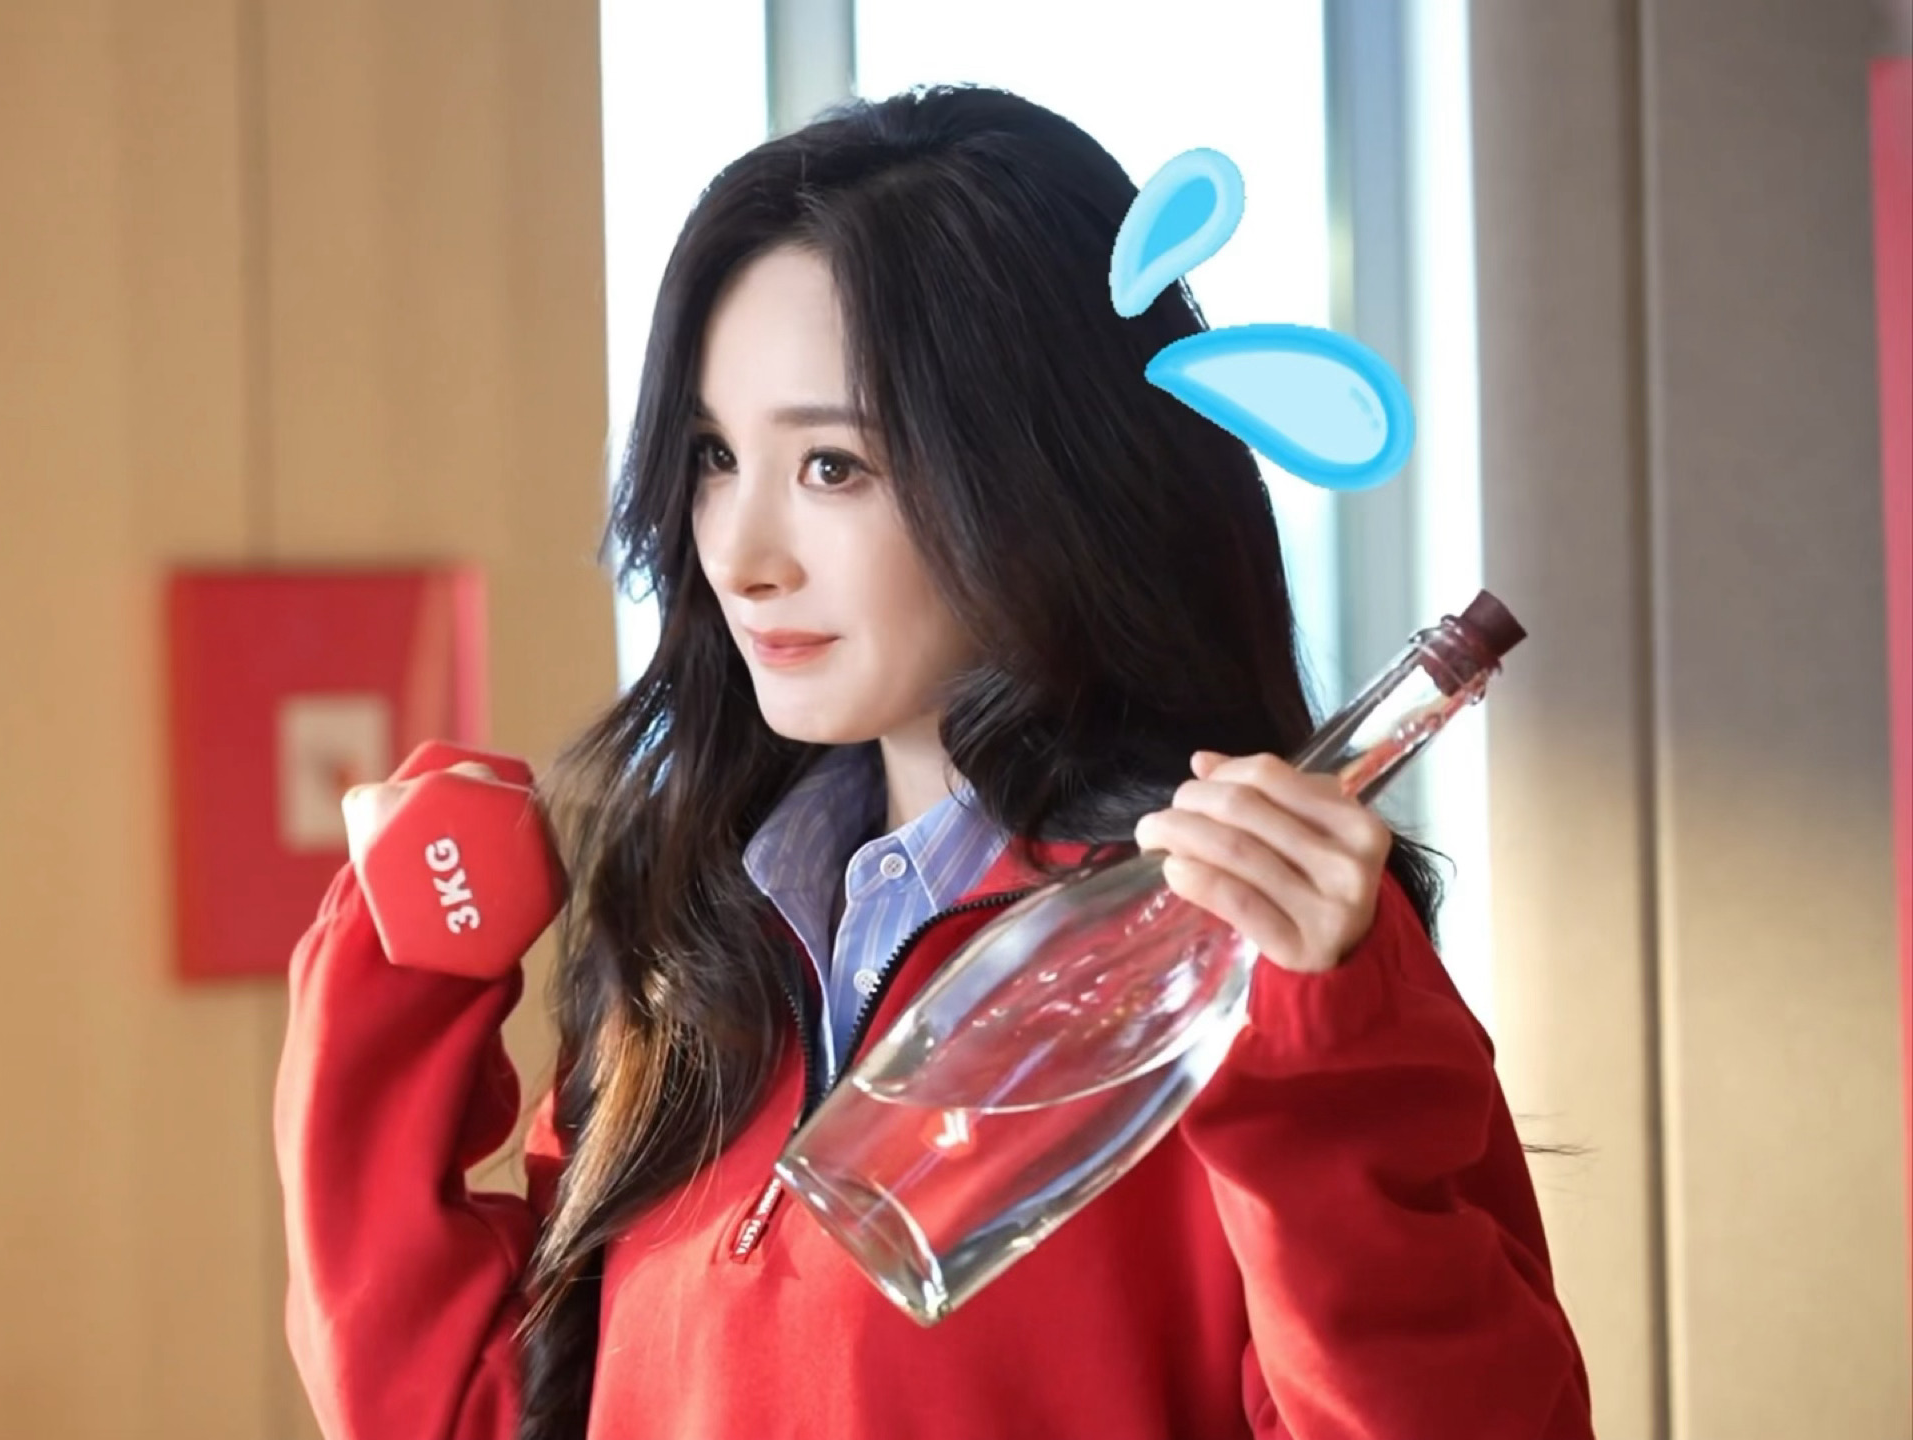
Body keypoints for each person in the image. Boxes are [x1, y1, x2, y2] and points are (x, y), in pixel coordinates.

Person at [275, 85, 1593, 1440]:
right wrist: (397, 975)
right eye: (716, 455)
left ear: (1043, 477)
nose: (742, 553)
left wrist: (1316, 1074)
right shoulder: (692, 943)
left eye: (833, 466)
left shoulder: (1243, 967)